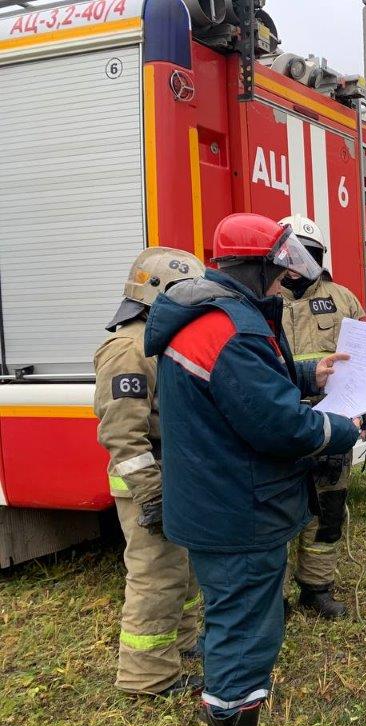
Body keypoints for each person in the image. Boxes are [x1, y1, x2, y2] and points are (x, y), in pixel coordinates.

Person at [144, 213, 361, 726]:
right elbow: (280, 426)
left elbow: (241, 388)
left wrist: (308, 371)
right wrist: (344, 430)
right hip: (241, 509)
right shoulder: (233, 330)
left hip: (213, 501)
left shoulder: (205, 317)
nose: (284, 280)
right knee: (246, 630)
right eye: (277, 268)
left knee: (228, 617)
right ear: (254, 266)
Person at [94, 247, 205, 697]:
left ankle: (184, 643)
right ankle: (148, 676)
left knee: (183, 569)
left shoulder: (161, 340)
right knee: (155, 574)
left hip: (174, 476)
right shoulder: (128, 349)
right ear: (158, 292)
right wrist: (151, 493)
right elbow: (122, 434)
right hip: (149, 482)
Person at [278, 215, 366, 620]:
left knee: (327, 510)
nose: (293, 265)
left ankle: (317, 588)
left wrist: (365, 416)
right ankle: (273, 598)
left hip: (330, 420)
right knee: (276, 512)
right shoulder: (263, 301)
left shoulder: (343, 299)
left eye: (302, 256)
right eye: (286, 256)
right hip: (277, 421)